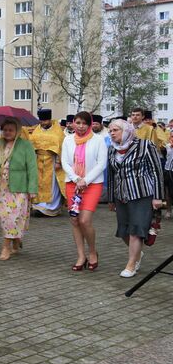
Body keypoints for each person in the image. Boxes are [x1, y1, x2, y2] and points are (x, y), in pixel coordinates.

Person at [106, 119, 164, 277]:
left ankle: (132, 264)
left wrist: (157, 197)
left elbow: (156, 171)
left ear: (126, 131)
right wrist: (111, 198)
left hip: (141, 194)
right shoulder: (112, 149)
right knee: (123, 230)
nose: (112, 133)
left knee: (136, 230)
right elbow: (111, 175)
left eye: (115, 130)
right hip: (121, 195)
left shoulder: (145, 145)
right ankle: (138, 254)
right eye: (110, 130)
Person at [0, 118, 38, 260]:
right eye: (5, 130)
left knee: (13, 216)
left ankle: (6, 247)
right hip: (0, 187)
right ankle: (15, 239)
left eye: (10, 130)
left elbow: (32, 168)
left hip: (19, 187)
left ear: (17, 131)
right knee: (4, 217)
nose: (7, 133)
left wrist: (33, 189)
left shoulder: (25, 145)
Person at [61, 111, 108, 272]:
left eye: (84, 123)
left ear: (90, 124)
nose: (81, 127)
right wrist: (76, 179)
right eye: (78, 123)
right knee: (74, 220)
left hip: (92, 184)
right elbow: (65, 162)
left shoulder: (98, 140)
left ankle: (92, 251)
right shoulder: (67, 140)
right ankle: (81, 255)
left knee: (85, 220)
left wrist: (85, 180)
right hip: (72, 184)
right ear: (73, 123)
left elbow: (101, 164)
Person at [29, 109, 66, 217]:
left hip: (52, 160)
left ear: (49, 119)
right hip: (38, 160)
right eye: (41, 121)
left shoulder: (57, 131)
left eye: (45, 121)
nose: (43, 123)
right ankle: (39, 206)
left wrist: (58, 161)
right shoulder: (37, 129)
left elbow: (61, 146)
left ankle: (50, 207)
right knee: (39, 184)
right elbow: (32, 143)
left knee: (51, 185)